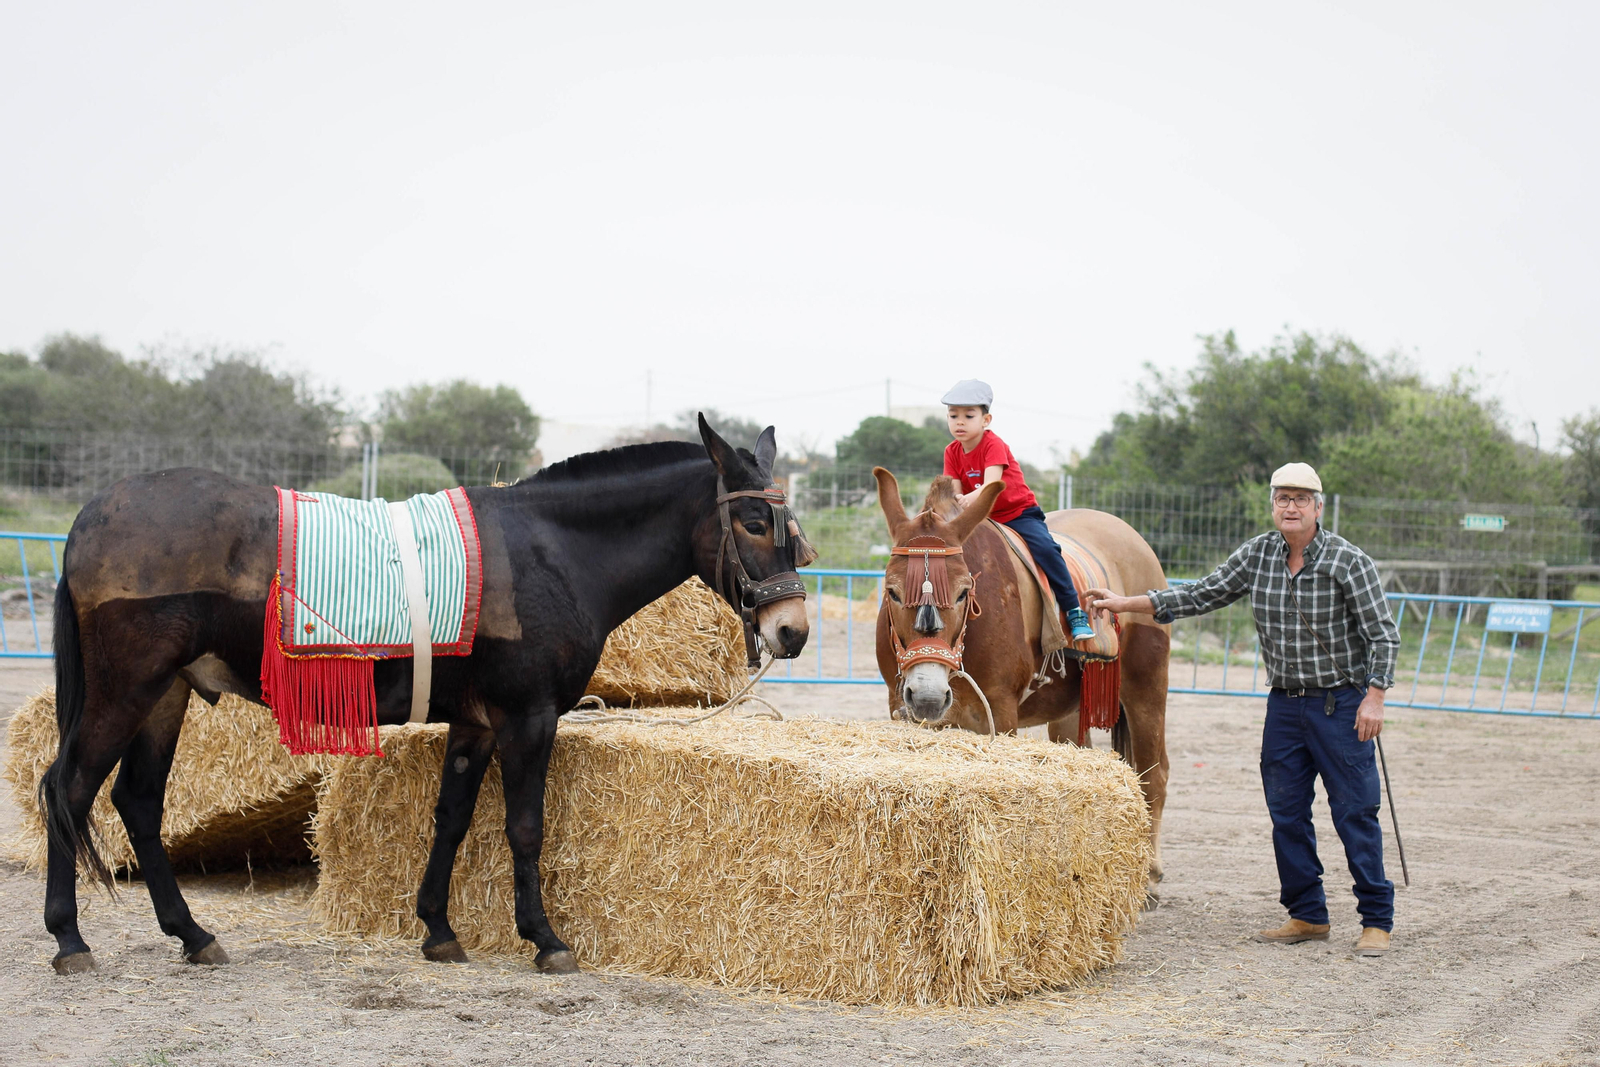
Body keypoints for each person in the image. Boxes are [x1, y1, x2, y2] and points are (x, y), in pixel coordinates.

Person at [1084, 462, 1401, 958]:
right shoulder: (1258, 555)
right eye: (1282, 498)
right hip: (1285, 707)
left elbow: (1383, 634)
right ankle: (1307, 914)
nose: (1290, 507)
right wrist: (1124, 602)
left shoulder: (1349, 562)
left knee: (1355, 812)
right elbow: (1199, 594)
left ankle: (1376, 919)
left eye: (1301, 499)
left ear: (1319, 507)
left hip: (1342, 705)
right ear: (1273, 506)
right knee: (1287, 813)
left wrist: (1376, 696)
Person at [940, 379, 1095, 642]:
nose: (960, 422)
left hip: (1017, 514)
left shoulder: (993, 445)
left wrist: (967, 498)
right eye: (953, 416)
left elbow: (992, 485)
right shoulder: (951, 451)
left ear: (986, 419)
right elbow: (953, 492)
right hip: (982, 518)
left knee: (1046, 550)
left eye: (968, 415)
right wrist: (954, 505)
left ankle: (1074, 611)